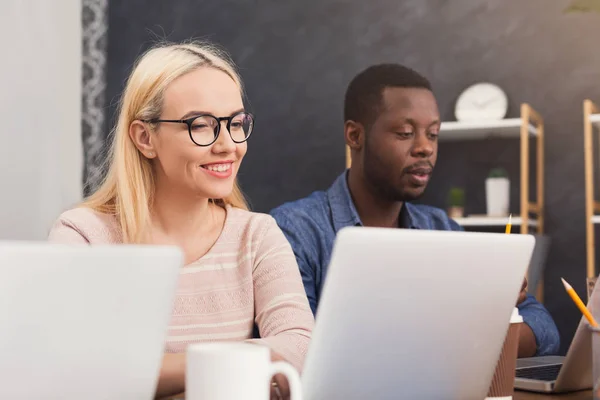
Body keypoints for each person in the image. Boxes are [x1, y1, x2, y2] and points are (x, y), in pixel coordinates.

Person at [48, 41, 314, 399]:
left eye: (236, 123)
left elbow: (300, 347)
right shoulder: (83, 236)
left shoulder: (256, 235)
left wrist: (155, 372)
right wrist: (227, 368)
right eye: (201, 125)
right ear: (145, 138)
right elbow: (74, 367)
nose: (227, 145)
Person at [270, 63, 560, 358]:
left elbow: (544, 329)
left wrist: (490, 313)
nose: (425, 148)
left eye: (433, 134)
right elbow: (299, 351)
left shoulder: (442, 229)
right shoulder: (293, 231)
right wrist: (466, 337)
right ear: (355, 136)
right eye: (405, 133)